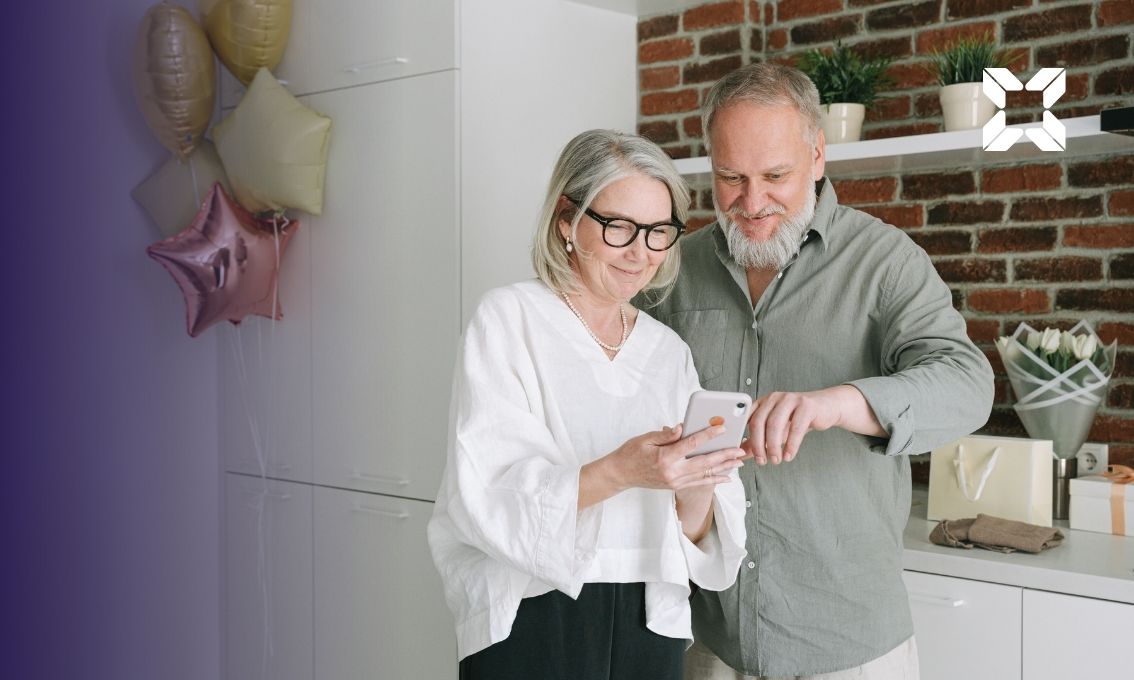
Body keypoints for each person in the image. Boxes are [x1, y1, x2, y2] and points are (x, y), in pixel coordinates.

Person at [643, 63, 995, 679]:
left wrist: (840, 403)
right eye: (730, 177)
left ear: (817, 157)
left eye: (775, 176)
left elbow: (967, 384)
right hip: (708, 640)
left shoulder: (884, 261)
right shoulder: (674, 269)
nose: (752, 203)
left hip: (848, 645)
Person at [428, 129, 750, 680]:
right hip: (534, 610)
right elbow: (486, 492)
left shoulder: (667, 350)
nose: (640, 253)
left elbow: (698, 538)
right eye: (619, 226)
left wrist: (697, 487)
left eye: (658, 232)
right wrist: (623, 470)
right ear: (566, 220)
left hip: (651, 618)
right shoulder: (509, 319)